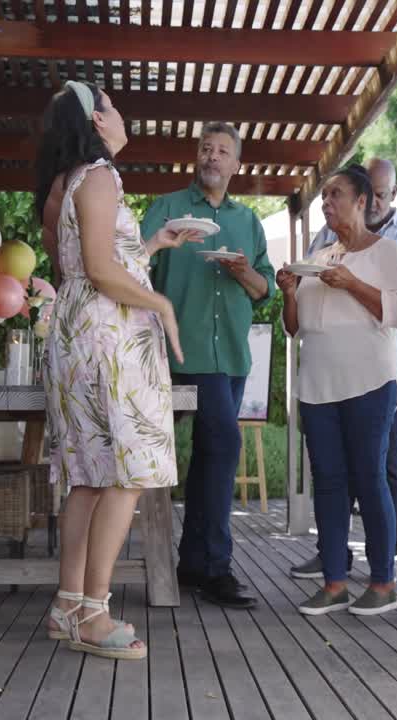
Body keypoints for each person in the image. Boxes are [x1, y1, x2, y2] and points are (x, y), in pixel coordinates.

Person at [35, 81, 202, 660]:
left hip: (80, 334)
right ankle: (97, 613)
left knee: (89, 473)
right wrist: (162, 304)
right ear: (99, 119)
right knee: (128, 471)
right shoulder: (100, 177)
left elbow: (87, 263)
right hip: (110, 340)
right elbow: (103, 270)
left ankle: (68, 604)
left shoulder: (70, 180)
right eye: (112, 104)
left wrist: (151, 244)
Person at [141, 122, 276, 609]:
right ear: (195, 158)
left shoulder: (248, 221)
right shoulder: (169, 208)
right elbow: (134, 263)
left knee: (210, 454)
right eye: (206, 149)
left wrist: (243, 272)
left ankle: (193, 564)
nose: (212, 157)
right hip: (178, 351)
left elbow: (266, 291)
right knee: (218, 443)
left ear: (237, 164)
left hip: (231, 357)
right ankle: (214, 566)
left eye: (223, 151)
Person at [278, 165, 397, 616]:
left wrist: (352, 283)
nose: (326, 203)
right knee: (329, 483)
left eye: (335, 194)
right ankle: (334, 582)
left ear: (363, 201)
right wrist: (290, 292)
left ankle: (383, 582)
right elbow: (294, 329)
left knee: (370, 478)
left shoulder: (386, 252)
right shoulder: (320, 256)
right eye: (323, 197)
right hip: (317, 386)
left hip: (369, 383)